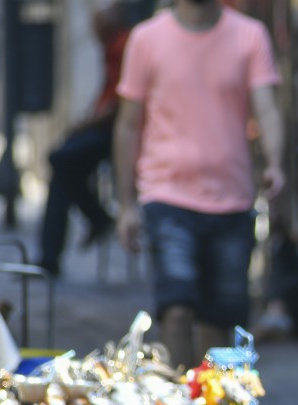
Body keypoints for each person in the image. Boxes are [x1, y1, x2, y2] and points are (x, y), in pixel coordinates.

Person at [113, 0, 285, 371]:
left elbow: (267, 108)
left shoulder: (250, 35)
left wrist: (274, 163)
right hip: (167, 195)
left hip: (232, 199)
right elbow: (128, 123)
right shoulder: (146, 38)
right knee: (176, 308)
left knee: (218, 320)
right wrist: (126, 203)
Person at [37, 2, 131, 278]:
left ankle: (95, 221)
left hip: (115, 132)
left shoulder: (124, 45)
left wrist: (86, 125)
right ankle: (51, 256)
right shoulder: (110, 47)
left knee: (59, 159)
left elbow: (119, 104)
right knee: (61, 175)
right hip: (104, 129)